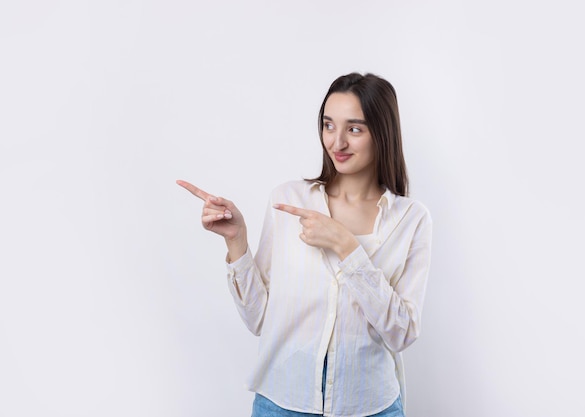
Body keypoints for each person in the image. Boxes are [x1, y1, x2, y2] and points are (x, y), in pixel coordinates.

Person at [177, 73, 432, 417]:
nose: (336, 142)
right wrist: (237, 241)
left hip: (370, 406)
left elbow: (402, 333)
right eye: (329, 125)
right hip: (282, 402)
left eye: (354, 129)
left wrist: (347, 248)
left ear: (382, 133)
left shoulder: (412, 219)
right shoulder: (288, 200)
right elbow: (260, 320)